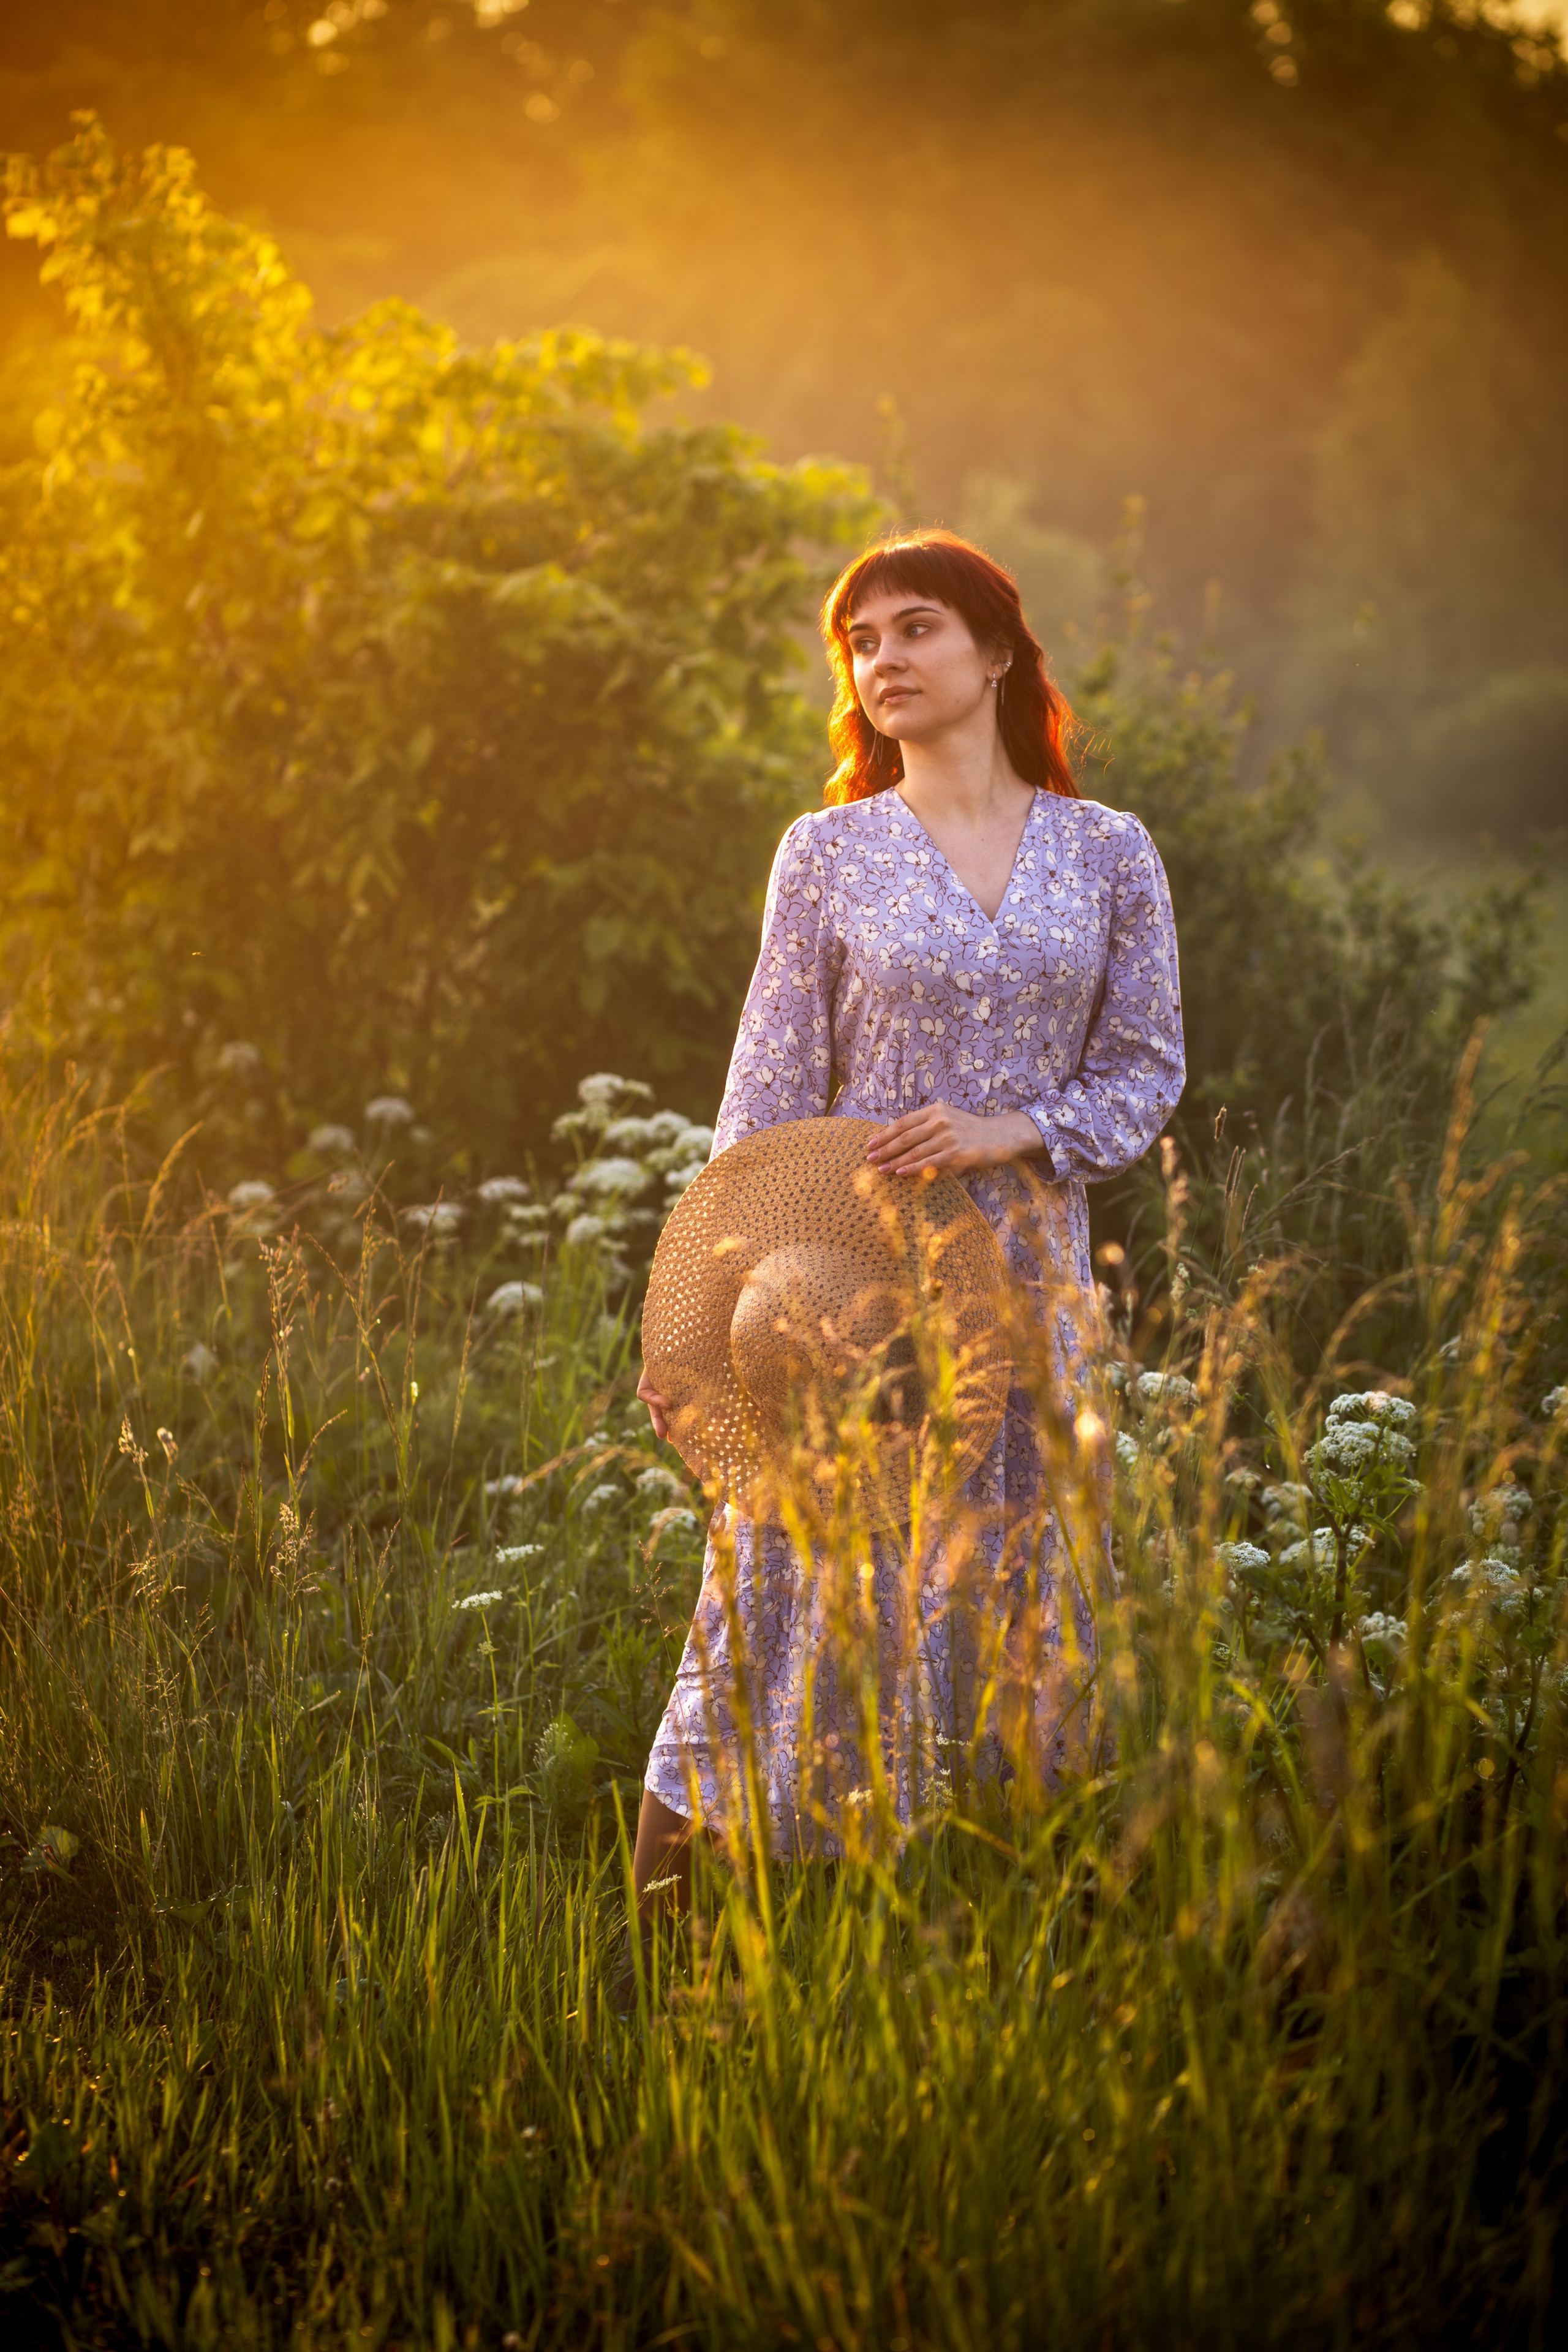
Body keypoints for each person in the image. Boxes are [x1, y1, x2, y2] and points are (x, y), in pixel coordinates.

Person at [630, 529, 1184, 1918]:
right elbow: (758, 1100)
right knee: (787, 1577)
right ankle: (659, 1947)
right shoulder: (825, 854)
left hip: (1035, 1281)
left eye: (913, 628)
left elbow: (1144, 1067)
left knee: (1017, 1582)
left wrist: (1023, 1130)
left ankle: (997, 1936)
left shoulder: (1108, 853)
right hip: (849, 1274)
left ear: (995, 650)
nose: (882, 660)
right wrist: (705, 1317)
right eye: (859, 643)